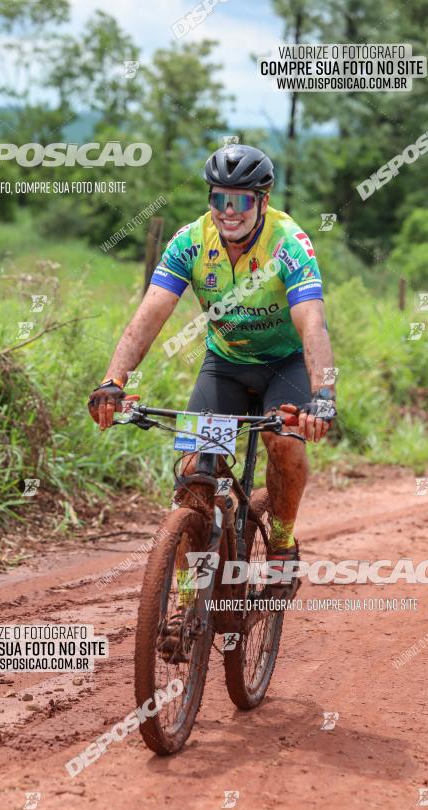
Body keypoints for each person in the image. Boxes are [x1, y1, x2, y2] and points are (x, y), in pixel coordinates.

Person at [88, 143, 336, 568]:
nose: (228, 211)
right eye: (219, 199)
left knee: (284, 443)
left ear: (263, 200)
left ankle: (281, 539)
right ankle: (187, 603)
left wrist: (323, 394)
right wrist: (114, 381)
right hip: (225, 366)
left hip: (285, 365)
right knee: (192, 477)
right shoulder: (190, 242)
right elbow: (150, 314)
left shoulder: (288, 244)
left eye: (240, 200)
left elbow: (312, 322)